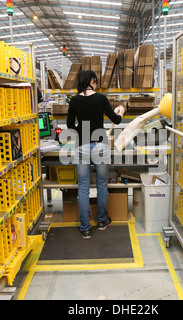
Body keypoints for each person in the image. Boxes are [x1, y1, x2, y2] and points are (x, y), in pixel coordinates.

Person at [67, 70, 125, 239]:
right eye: (96, 81)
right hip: (100, 146)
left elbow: (70, 125)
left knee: (83, 188)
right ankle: (101, 221)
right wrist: (121, 110)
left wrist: (82, 131)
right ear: (92, 80)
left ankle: (85, 228)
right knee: (101, 185)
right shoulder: (101, 98)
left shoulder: (75, 100)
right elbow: (116, 120)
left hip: (82, 146)